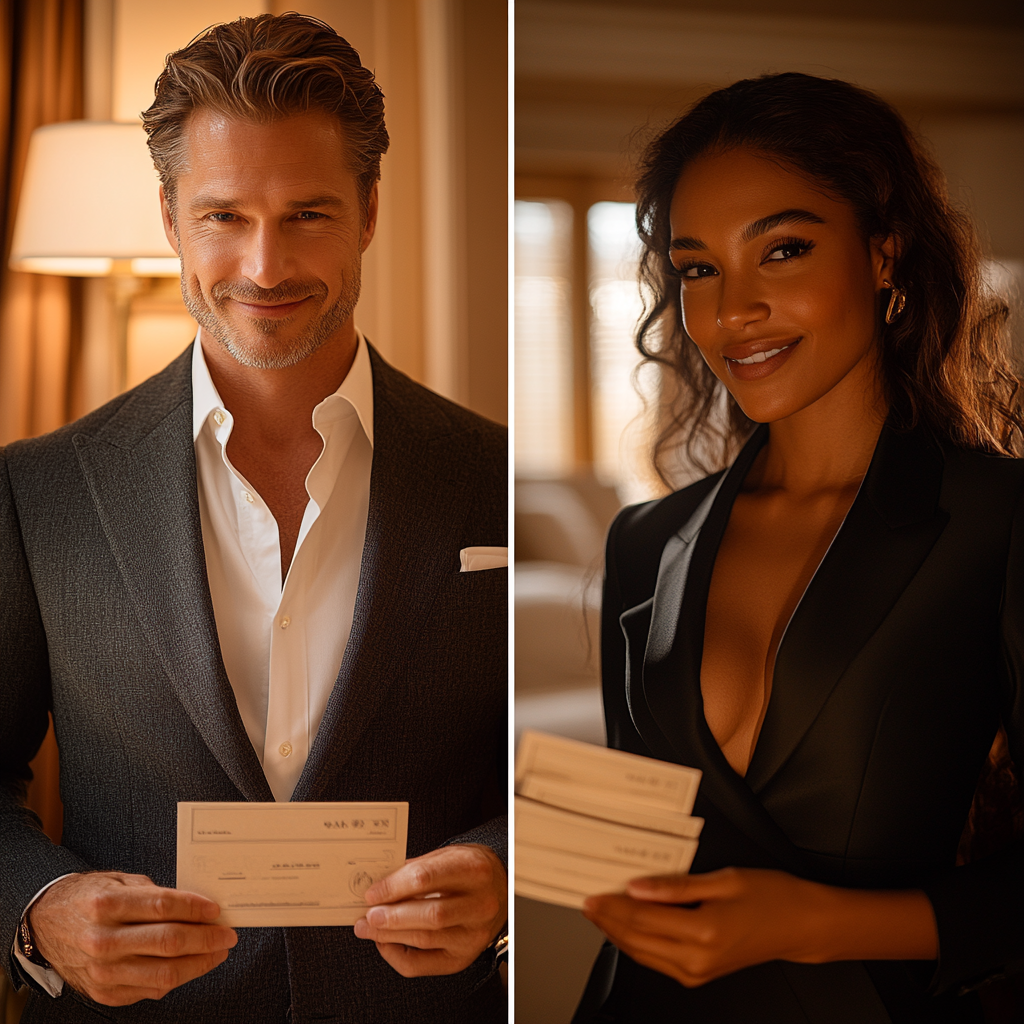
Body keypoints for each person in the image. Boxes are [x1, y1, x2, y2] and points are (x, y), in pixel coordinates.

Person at [0, 14, 507, 1024]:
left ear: (369, 209)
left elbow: (558, 765)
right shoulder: (38, 488)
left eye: (307, 214)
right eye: (224, 215)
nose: (265, 267)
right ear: (169, 216)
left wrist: (499, 877)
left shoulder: (495, 473)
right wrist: (40, 907)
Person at [573, 73, 1023, 1023]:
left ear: (885, 255)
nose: (733, 312)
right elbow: (642, 845)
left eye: (782, 251)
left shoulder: (999, 520)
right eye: (699, 269)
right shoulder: (645, 543)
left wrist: (815, 924)